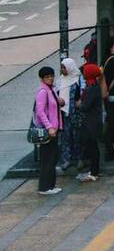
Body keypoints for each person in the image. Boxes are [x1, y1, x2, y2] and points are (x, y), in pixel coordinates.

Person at [33, 66, 62, 195]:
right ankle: (45, 187)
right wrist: (49, 127)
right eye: (47, 77)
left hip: (55, 129)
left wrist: (61, 102)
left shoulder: (51, 89)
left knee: (52, 158)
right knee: (47, 159)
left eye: (51, 76)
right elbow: (40, 112)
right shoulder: (43, 92)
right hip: (48, 131)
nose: (50, 78)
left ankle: (50, 185)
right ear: (42, 78)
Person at [76, 63, 103, 182]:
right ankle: (94, 170)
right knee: (93, 147)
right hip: (95, 121)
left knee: (92, 147)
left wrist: (78, 105)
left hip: (90, 123)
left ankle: (94, 172)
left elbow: (85, 106)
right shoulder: (95, 86)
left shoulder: (90, 88)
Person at [56, 58, 84, 173]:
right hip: (64, 113)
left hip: (75, 113)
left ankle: (79, 159)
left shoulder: (78, 78)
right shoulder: (60, 80)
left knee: (77, 136)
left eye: (64, 67)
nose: (63, 70)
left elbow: (83, 92)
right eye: (62, 67)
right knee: (65, 137)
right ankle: (66, 159)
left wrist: (80, 101)